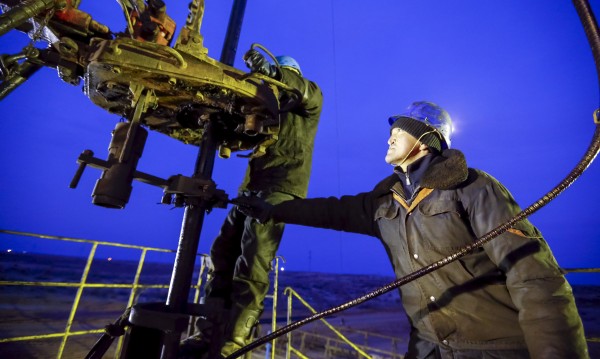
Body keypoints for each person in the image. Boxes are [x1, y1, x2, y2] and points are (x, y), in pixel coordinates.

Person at [234, 101, 589, 358]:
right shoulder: (385, 200)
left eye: (399, 131)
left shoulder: (474, 189)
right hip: (427, 347)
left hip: (493, 349)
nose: (389, 138)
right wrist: (275, 210)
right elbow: (334, 211)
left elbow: (534, 278)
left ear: (425, 140)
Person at [180, 49, 323, 358]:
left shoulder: (308, 103)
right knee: (222, 253)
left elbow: (304, 90)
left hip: (282, 189)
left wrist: (276, 73)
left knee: (253, 259)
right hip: (251, 189)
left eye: (281, 77)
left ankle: (234, 343)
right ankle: (207, 332)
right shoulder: (266, 109)